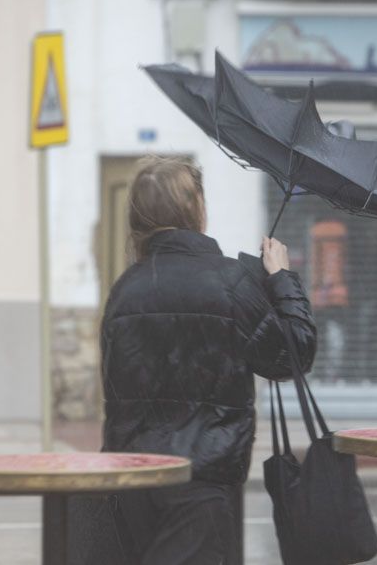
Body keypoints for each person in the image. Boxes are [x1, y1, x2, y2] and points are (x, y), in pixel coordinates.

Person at [94, 156, 316, 564]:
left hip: (133, 479)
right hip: (204, 481)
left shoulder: (125, 291)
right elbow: (293, 356)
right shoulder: (230, 283)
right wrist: (281, 279)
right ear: (198, 209)